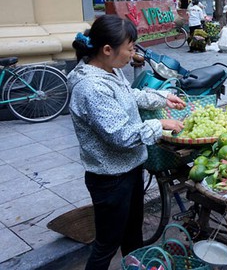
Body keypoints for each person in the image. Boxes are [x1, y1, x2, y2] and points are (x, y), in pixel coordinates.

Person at [67, 15, 186, 270]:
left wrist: (162, 98)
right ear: (107, 49)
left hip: (130, 170)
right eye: (130, 48)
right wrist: (160, 125)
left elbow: (130, 95)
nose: (134, 54)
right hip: (110, 179)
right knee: (106, 245)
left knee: (133, 236)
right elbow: (121, 136)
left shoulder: (110, 70)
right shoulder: (90, 88)